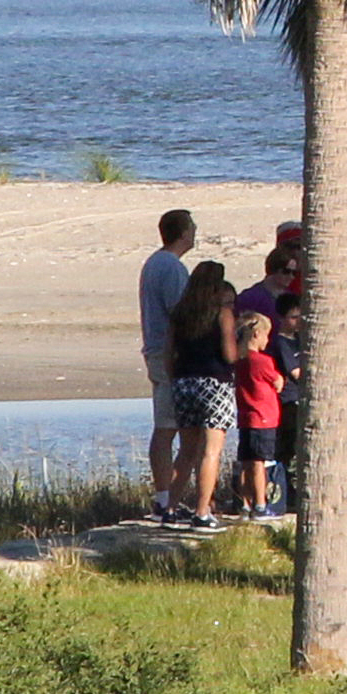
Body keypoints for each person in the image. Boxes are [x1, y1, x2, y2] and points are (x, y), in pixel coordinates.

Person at [157, 219, 240, 531]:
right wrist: (244, 346)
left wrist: (176, 378)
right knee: (211, 452)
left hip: (184, 382)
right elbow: (230, 355)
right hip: (214, 383)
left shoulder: (180, 314)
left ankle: (171, 508)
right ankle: (202, 512)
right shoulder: (222, 314)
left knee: (187, 451)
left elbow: (168, 354)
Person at [135, 209, 211, 527]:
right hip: (167, 354)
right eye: (191, 227)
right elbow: (180, 313)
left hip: (159, 351)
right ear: (182, 233)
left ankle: (167, 494)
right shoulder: (170, 267)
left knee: (169, 426)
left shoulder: (156, 263)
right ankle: (166, 496)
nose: (194, 232)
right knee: (169, 426)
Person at [229, 230, 302, 520]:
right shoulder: (253, 297)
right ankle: (258, 500)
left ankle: (277, 493)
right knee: (261, 451)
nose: (288, 278)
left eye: (293, 272)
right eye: (284, 271)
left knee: (279, 438)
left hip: (278, 367)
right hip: (263, 367)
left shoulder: (291, 298)